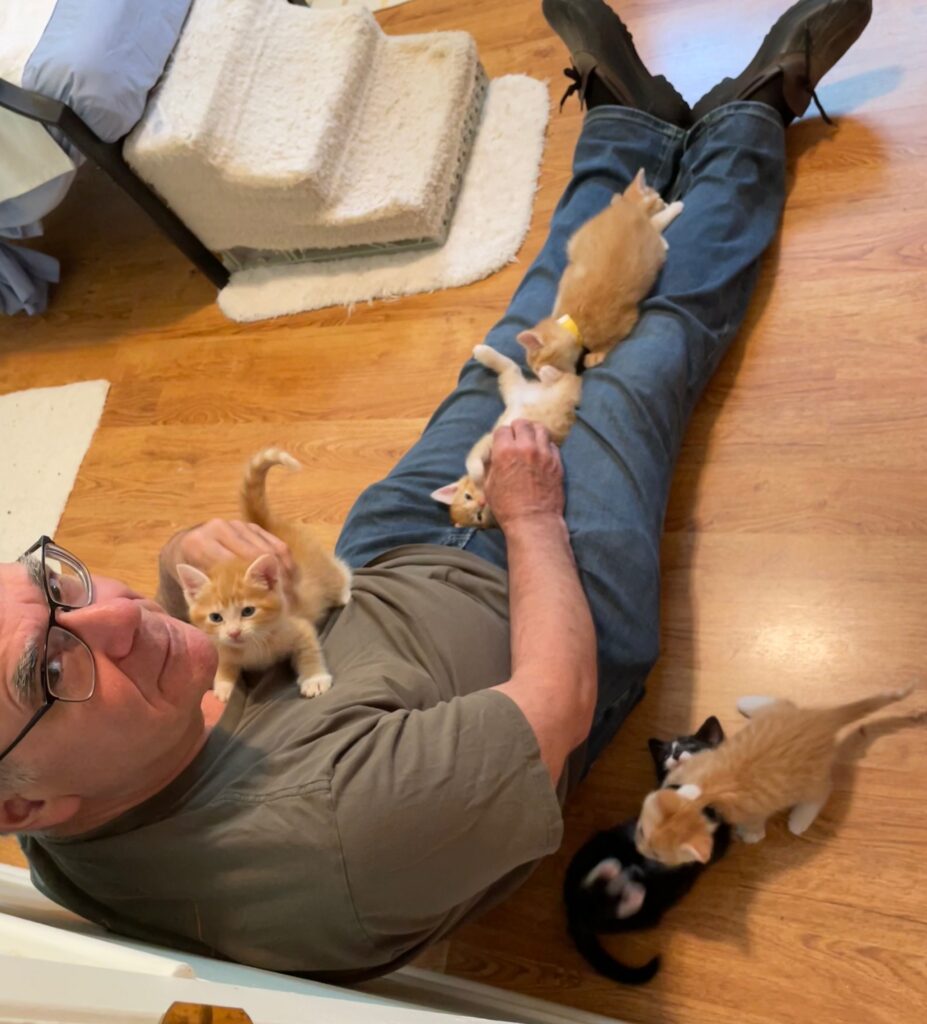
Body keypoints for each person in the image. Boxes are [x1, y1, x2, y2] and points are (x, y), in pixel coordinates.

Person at [0, 0, 871, 983]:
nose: (108, 617)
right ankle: (754, 121)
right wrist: (532, 514)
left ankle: (627, 124)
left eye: (61, 585)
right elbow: (558, 702)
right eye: (50, 666)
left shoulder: (58, 822)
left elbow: (141, 670)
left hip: (390, 566)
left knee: (522, 336)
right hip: (559, 602)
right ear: (20, 807)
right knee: (650, 350)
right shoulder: (335, 840)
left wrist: (176, 573)